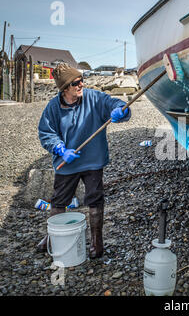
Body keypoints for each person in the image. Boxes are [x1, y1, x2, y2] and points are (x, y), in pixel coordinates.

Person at [37, 63, 131, 258]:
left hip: (93, 161)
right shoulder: (53, 107)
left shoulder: (94, 98)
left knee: (95, 199)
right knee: (58, 201)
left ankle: (97, 241)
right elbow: (46, 133)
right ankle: (53, 235)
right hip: (67, 163)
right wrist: (60, 149)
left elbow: (113, 103)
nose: (81, 85)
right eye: (76, 83)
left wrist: (121, 109)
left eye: (81, 80)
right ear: (64, 88)